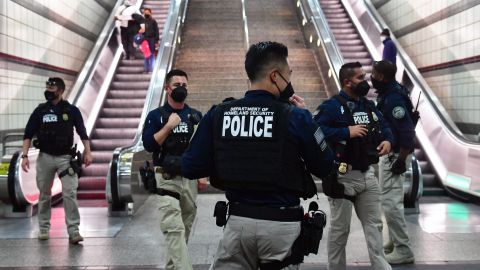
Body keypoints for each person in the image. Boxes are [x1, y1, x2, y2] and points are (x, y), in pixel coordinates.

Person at [182, 41, 335, 269]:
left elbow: (190, 167)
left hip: (238, 224)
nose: (289, 82)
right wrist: (309, 122)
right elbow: (325, 166)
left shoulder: (219, 113)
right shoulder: (295, 117)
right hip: (282, 228)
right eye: (288, 75)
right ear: (275, 76)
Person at [313, 62, 394, 270]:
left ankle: (381, 266)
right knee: (340, 230)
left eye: (364, 76)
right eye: (360, 78)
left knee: (375, 227)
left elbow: (384, 126)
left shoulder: (368, 105)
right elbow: (316, 131)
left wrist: (388, 141)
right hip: (343, 176)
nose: (365, 81)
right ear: (347, 82)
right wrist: (345, 132)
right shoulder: (331, 107)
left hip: (368, 175)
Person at [142, 69, 208, 270]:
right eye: (177, 85)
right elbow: (149, 145)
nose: (182, 89)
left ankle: (173, 267)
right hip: (166, 178)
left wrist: (203, 175)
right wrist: (169, 126)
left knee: (185, 227)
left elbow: (202, 148)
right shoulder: (156, 116)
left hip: (189, 178)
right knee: (174, 228)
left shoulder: (195, 115)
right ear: (167, 88)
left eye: (185, 85)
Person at [21, 77, 92, 244]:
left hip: (66, 158)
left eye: (51, 89)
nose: (48, 92)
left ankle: (74, 231)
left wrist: (88, 152)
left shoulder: (71, 110)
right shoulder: (40, 111)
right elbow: (28, 134)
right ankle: (44, 228)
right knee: (44, 194)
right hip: (45, 157)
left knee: (70, 194)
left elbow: (82, 132)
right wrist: (24, 156)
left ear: (60, 90)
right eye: (47, 88)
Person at [372, 60, 416, 265]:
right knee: (387, 202)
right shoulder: (394, 91)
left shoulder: (393, 98)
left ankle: (403, 248)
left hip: (395, 156)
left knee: (391, 205)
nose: (370, 77)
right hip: (391, 154)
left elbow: (407, 130)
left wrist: (401, 158)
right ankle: (394, 242)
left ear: (380, 76)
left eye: (373, 74)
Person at [139, 8, 159, 72]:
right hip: (145, 40)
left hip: (152, 39)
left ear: (150, 13)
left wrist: (156, 40)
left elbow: (157, 31)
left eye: (148, 12)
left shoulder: (153, 21)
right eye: (145, 12)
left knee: (152, 53)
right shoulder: (142, 22)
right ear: (144, 13)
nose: (146, 14)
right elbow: (141, 31)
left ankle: (152, 68)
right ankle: (146, 68)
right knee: (146, 54)